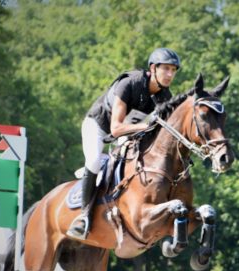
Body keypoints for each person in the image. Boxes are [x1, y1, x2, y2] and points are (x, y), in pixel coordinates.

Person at [66, 47, 181, 240]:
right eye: (166, 69)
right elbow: (116, 128)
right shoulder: (130, 83)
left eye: (173, 70)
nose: (170, 74)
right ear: (153, 68)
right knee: (94, 160)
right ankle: (83, 217)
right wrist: (145, 126)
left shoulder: (164, 98)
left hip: (127, 132)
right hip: (100, 126)